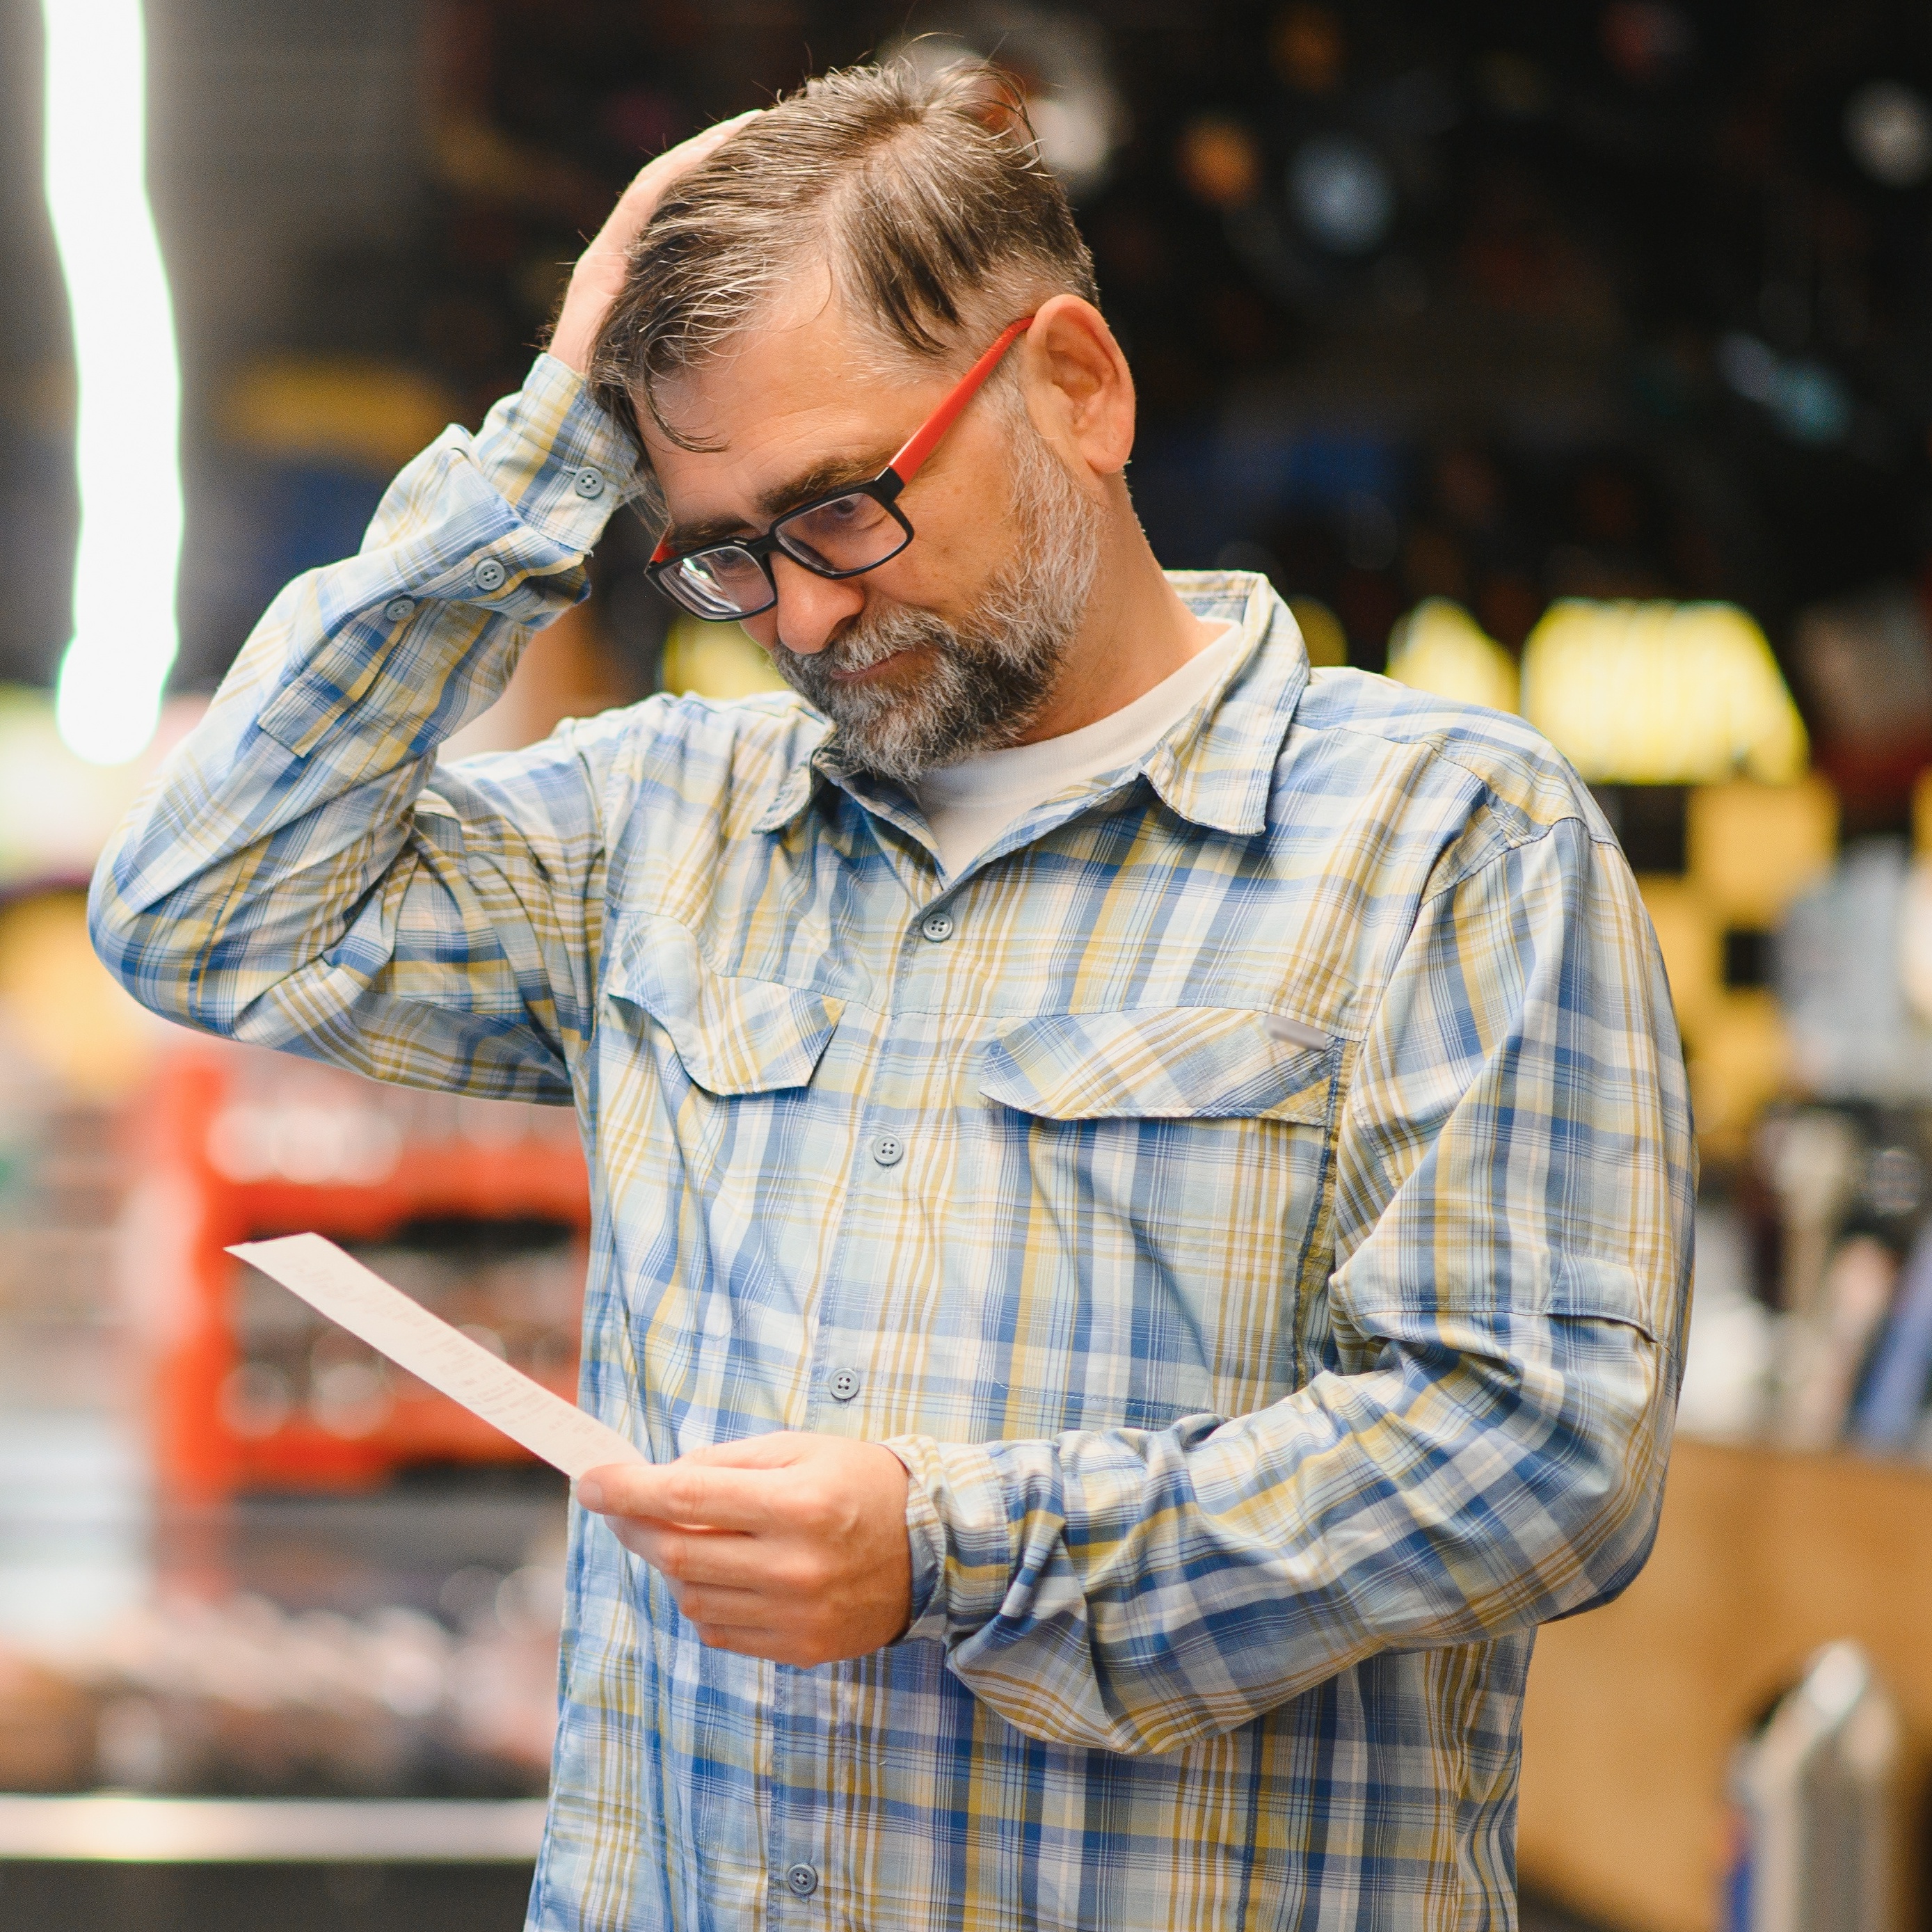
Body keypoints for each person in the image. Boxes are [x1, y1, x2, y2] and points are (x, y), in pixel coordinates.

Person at [93, 61, 1693, 1932]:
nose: (798, 616)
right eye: (721, 551)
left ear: (1073, 388)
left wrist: (953, 1550)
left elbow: (1535, 1445)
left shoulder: (1437, 839)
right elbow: (208, 907)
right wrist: (551, 445)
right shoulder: (667, 828)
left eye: (841, 505)